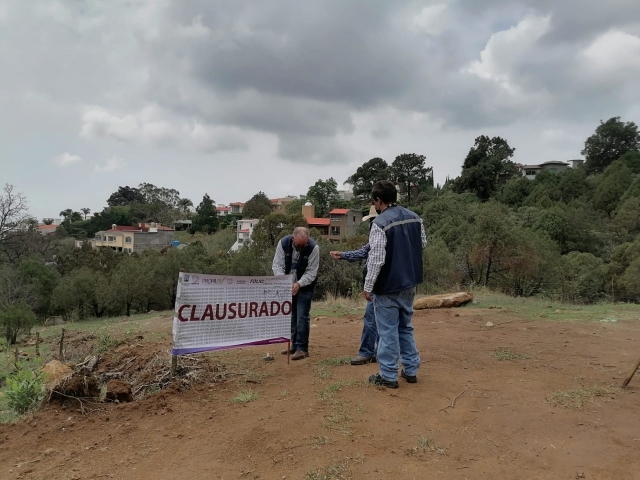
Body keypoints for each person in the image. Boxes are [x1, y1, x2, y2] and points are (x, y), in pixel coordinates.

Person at [363, 181, 427, 388]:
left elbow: (376, 259)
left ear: (378, 200)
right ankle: (410, 370)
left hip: (388, 285)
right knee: (405, 327)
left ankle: (388, 375)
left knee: (387, 330)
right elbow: (422, 243)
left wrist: (368, 286)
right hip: (409, 282)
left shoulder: (379, 224)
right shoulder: (416, 218)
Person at [329, 205, 379, 366]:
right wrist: (343, 255)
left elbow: (375, 260)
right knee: (381, 320)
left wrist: (369, 285)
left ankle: (367, 353)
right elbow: (363, 252)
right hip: (385, 285)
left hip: (379, 286)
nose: (371, 223)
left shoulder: (380, 235)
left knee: (372, 320)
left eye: (373, 220)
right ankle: (379, 352)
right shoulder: (377, 237)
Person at [272, 227, 319, 360]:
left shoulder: (314, 248)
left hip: (305, 285)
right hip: (287, 283)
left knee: (302, 315)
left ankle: (302, 348)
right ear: (293, 239)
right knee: (292, 315)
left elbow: (312, 271)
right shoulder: (283, 243)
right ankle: (294, 345)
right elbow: (277, 265)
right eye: (298, 245)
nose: (301, 247)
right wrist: (284, 281)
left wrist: (299, 284)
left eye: (303, 245)